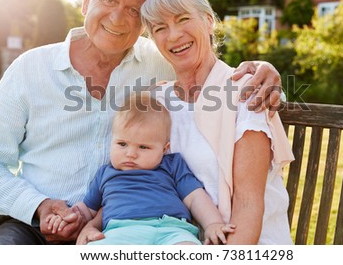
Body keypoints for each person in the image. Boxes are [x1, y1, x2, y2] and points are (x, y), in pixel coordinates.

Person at [0, 0, 283, 245]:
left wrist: (267, 71)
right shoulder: (29, 70)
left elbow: (206, 66)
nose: (118, 18)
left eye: (133, 10)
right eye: (109, 0)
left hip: (126, 227)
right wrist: (38, 206)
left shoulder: (157, 65)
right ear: (87, 0)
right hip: (33, 225)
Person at [77, 0, 295, 245]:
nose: (174, 35)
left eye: (182, 19)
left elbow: (248, 204)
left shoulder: (246, 91)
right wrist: (94, 224)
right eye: (159, 28)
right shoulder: (157, 101)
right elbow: (133, 181)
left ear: (208, 20)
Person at [46, 92, 235, 245]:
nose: (131, 154)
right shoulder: (106, 173)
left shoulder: (172, 165)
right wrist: (66, 218)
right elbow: (87, 209)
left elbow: (195, 198)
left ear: (164, 148)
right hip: (119, 233)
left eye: (143, 147)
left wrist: (213, 224)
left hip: (172, 230)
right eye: (122, 144)